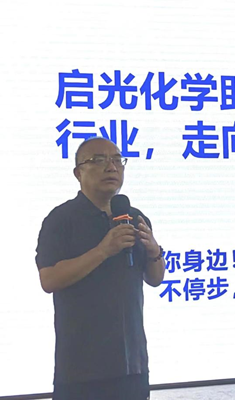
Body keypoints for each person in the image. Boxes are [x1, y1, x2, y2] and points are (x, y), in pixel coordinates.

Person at [35, 137, 165, 400]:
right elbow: (49, 279)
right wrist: (103, 251)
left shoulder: (135, 216)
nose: (111, 167)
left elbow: (155, 279)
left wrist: (154, 252)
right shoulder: (61, 219)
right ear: (78, 173)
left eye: (117, 160)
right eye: (99, 160)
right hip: (82, 370)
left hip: (133, 365)